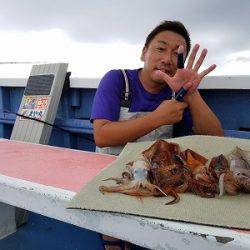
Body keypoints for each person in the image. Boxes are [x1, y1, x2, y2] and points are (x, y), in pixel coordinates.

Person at [91, 20, 223, 250]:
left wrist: (192, 95)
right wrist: (159, 117)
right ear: (144, 52)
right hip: (110, 173)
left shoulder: (178, 93)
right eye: (160, 49)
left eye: (176, 54)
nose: (167, 59)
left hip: (155, 180)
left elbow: (215, 139)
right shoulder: (116, 80)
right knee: (112, 235)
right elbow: (101, 135)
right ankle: (111, 241)